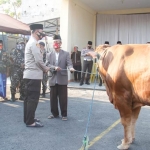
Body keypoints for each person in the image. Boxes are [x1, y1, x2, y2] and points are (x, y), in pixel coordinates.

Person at [23, 24, 50, 127]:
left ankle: (28, 118)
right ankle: (30, 122)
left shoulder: (33, 43)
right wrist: (45, 68)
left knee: (28, 99)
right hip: (33, 76)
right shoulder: (34, 43)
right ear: (35, 32)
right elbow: (38, 60)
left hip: (30, 75)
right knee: (33, 99)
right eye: (41, 31)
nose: (42, 34)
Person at [46, 34, 75, 121]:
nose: (56, 44)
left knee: (63, 98)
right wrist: (54, 67)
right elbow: (46, 64)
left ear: (60, 43)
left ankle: (64, 114)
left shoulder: (66, 54)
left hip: (62, 79)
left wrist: (71, 68)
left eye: (57, 42)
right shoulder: (49, 54)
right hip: (53, 78)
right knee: (53, 98)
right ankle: (54, 114)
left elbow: (69, 63)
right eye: (54, 42)